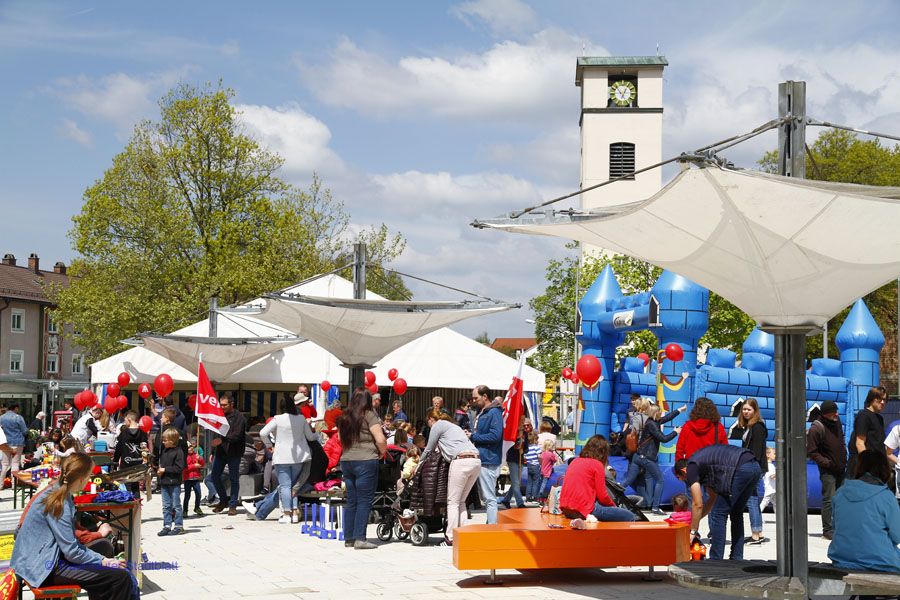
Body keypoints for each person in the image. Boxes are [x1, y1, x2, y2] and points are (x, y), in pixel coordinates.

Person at [10, 453, 135, 599]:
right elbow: (72, 551)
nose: (90, 479)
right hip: (42, 567)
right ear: (82, 479)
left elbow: (71, 544)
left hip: (43, 558)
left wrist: (103, 560)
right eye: (89, 476)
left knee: (104, 548)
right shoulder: (59, 501)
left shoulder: (59, 490)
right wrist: (103, 561)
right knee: (120, 578)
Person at [674, 443, 761, 560]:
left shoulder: (692, 467)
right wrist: (694, 520)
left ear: (684, 471)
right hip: (754, 466)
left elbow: (697, 504)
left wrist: (693, 531)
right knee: (736, 513)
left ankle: (716, 558)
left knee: (718, 514)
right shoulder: (705, 467)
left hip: (739, 467)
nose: (687, 482)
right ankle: (737, 557)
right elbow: (712, 500)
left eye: (684, 479)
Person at [828, 449, 900, 573]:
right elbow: (897, 535)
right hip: (880, 562)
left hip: (842, 558)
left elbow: (836, 526)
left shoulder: (840, 492)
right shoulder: (885, 496)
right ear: (884, 469)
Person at [422, 409, 481, 546]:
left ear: (430, 419)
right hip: (476, 460)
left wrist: (419, 464)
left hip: (461, 460)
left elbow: (429, 448)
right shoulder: (455, 427)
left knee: (453, 502)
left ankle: (450, 538)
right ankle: (465, 535)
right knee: (461, 501)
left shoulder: (437, 425)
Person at [338, 387, 387, 549]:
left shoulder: (344, 416)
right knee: (364, 500)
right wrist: (382, 452)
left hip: (347, 460)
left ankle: (349, 537)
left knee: (352, 500)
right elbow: (380, 439)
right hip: (366, 459)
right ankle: (360, 538)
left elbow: (339, 438)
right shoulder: (369, 415)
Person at [259, 396, 318, 524]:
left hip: (281, 457)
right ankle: (294, 513)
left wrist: (269, 445)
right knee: (294, 486)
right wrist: (317, 433)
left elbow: (263, 433)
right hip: (298, 457)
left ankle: (286, 514)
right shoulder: (301, 418)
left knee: (285, 486)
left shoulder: (277, 419)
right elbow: (310, 437)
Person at [620, 403, 684, 515]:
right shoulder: (653, 425)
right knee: (660, 480)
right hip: (647, 457)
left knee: (629, 480)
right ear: (655, 413)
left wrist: (679, 410)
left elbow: (667, 418)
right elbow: (663, 439)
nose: (661, 413)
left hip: (638, 456)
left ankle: (611, 495)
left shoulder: (652, 421)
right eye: (660, 411)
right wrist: (675, 432)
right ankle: (655, 507)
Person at [559, 434, 634, 522]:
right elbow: (603, 497)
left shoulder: (575, 461)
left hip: (566, 508)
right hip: (582, 509)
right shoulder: (597, 465)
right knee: (629, 516)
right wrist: (614, 507)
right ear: (603, 452)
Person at [807, 399, 847, 540]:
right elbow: (812, 452)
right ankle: (828, 530)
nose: (836, 414)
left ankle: (840, 528)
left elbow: (840, 440)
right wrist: (827, 463)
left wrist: (844, 456)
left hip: (841, 468)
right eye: (833, 412)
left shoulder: (836, 422)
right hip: (828, 471)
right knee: (829, 499)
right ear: (825, 414)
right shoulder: (816, 429)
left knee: (842, 499)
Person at [733, 398, 768, 544]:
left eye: (749, 409)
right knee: (752, 499)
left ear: (755, 410)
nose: (746, 412)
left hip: (754, 467)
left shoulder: (758, 427)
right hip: (752, 466)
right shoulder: (749, 426)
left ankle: (755, 534)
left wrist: (749, 466)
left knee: (752, 500)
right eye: (744, 409)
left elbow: (757, 452)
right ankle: (758, 532)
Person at [469, 385, 503, 524]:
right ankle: (490, 525)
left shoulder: (494, 412)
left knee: (489, 498)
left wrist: (473, 437)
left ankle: (492, 528)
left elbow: (495, 436)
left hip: (489, 459)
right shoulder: (483, 412)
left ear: (485, 396)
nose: (474, 401)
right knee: (487, 497)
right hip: (484, 457)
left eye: (476, 398)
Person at [210, 394, 247, 516]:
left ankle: (232, 505)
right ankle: (223, 500)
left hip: (234, 452)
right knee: (214, 477)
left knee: (234, 479)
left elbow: (237, 435)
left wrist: (222, 440)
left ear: (232, 404)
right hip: (220, 452)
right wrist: (212, 451)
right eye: (220, 405)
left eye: (224, 405)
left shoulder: (239, 417)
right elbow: (216, 433)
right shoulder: (219, 416)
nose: (222, 407)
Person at [847, 386, 887, 480]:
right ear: (871, 398)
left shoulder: (879, 418)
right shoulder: (864, 415)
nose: (882, 402)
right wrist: (867, 467)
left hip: (876, 466)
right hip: (864, 468)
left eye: (884, 400)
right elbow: (860, 443)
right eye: (879, 399)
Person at [157, 428, 187, 536]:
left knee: (176, 505)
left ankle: (179, 526)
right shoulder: (164, 451)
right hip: (164, 482)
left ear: (172, 441)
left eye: (165, 440)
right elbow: (162, 465)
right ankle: (167, 525)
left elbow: (179, 468)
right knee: (166, 506)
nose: (163, 442)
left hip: (174, 482)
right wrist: (159, 471)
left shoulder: (179, 452)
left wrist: (165, 470)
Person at [0, 401, 28, 486]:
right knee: (15, 463)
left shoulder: (1, 417)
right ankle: (14, 484)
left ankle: (1, 484)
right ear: (15, 408)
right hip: (17, 442)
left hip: (5, 442)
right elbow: (25, 431)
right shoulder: (18, 417)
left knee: (4, 464)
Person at [499, 421, 526, 510]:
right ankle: (520, 503)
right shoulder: (512, 433)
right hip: (512, 459)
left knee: (516, 483)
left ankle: (506, 500)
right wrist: (517, 438)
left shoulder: (525, 434)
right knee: (516, 483)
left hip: (520, 460)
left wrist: (524, 451)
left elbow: (526, 447)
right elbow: (508, 446)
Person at [183, 440, 205, 516]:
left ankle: (197, 507)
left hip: (196, 478)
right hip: (187, 478)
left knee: (198, 494)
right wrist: (194, 466)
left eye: (191, 447)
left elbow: (202, 464)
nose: (191, 448)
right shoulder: (184, 457)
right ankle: (185, 510)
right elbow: (184, 468)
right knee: (187, 495)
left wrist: (200, 459)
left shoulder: (196, 455)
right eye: (189, 448)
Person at [523, 432, 541, 503]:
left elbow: (524, 457)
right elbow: (539, 456)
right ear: (534, 440)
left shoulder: (527, 448)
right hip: (536, 466)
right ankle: (534, 497)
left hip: (529, 466)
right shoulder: (536, 447)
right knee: (536, 482)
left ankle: (528, 497)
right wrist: (541, 462)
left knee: (529, 482)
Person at [759, 447, 777, 512]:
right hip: (770, 489)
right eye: (774, 454)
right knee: (765, 502)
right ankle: (757, 514)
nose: (776, 455)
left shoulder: (770, 465)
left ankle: (778, 517)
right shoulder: (769, 466)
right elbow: (772, 476)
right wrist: (779, 472)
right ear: (768, 455)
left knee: (776, 503)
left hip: (773, 489)